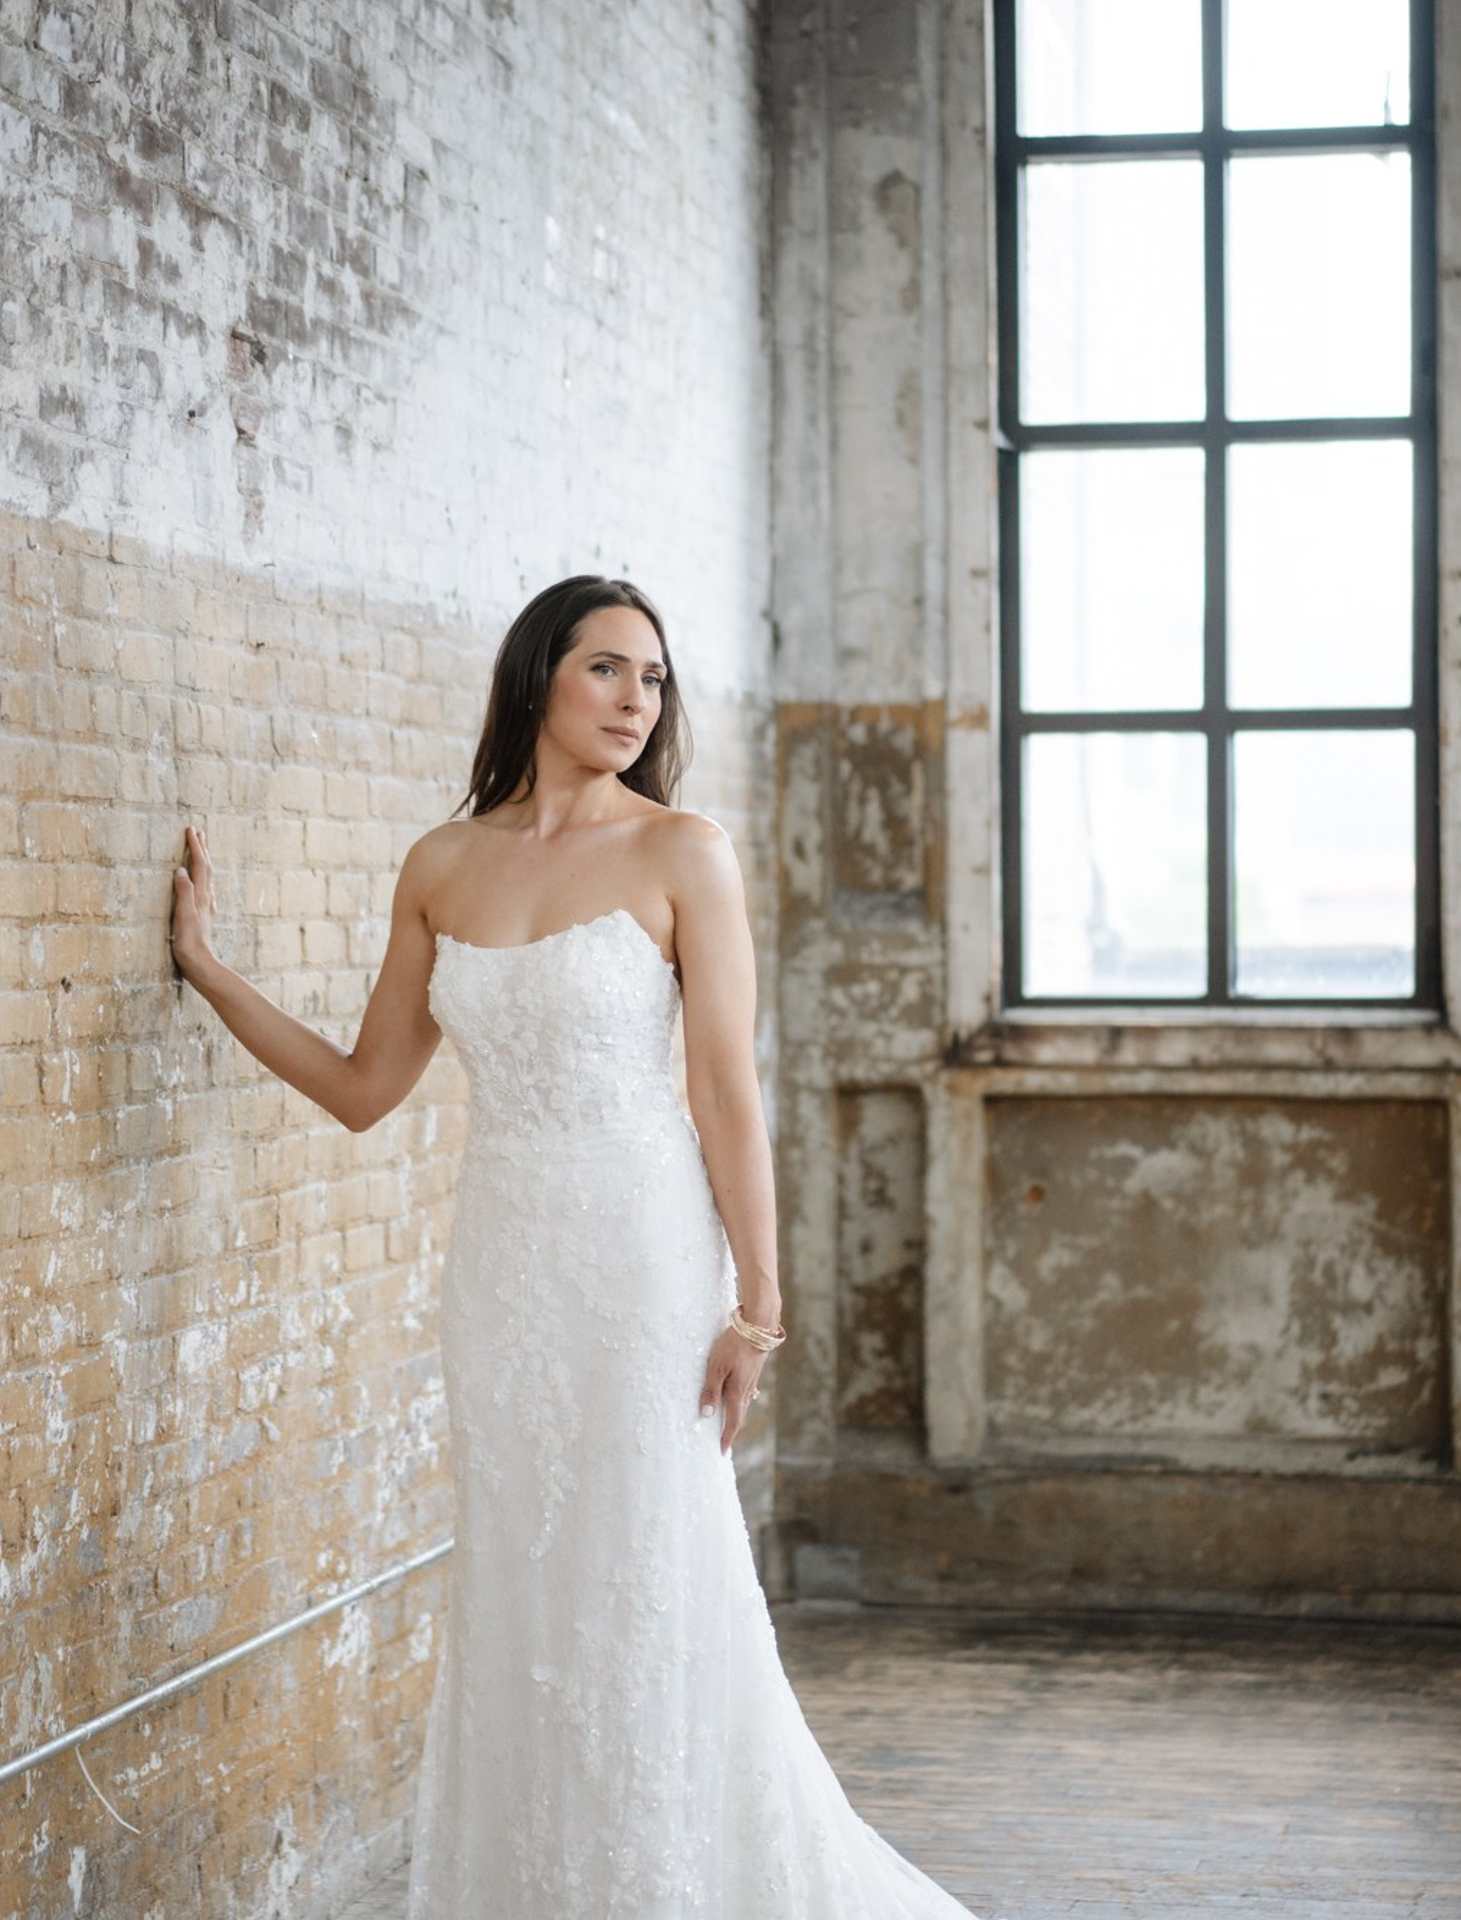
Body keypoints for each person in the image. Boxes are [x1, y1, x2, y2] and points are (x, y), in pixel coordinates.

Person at [169, 575, 979, 1917]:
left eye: (652, 680)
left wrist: (758, 1309)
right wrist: (209, 969)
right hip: (506, 1264)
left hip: (647, 1259)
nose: (633, 702)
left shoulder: (682, 852)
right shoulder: (442, 862)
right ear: (539, 675)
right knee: (528, 1583)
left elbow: (725, 1089)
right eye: (607, 670)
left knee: (647, 1568)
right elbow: (367, 1086)